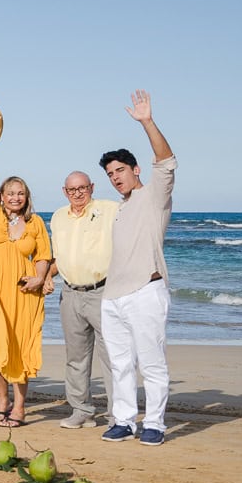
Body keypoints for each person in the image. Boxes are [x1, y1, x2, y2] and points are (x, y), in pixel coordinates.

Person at [99, 90, 177, 447]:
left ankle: (155, 424)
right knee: (120, 365)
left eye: (120, 170)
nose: (116, 177)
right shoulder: (121, 207)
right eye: (111, 173)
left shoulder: (153, 196)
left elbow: (166, 160)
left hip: (146, 290)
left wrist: (147, 121)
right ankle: (125, 420)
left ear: (135, 170)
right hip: (112, 296)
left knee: (151, 362)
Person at [0, 144, 51, 428]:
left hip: (23, 292)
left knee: (19, 347)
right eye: (10, 193)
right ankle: (2, 400)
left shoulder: (35, 223)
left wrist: (40, 278)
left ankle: (18, 407)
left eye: (20, 193)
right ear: (2, 196)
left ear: (26, 197)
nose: (15, 197)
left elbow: (43, 254)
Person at [46, 172, 118, 429]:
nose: (77, 193)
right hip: (70, 294)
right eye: (72, 189)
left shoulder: (111, 209)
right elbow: (57, 257)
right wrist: (44, 276)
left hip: (103, 292)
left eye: (82, 188)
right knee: (75, 357)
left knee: (112, 356)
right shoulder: (57, 217)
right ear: (65, 191)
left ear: (91, 188)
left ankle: (117, 415)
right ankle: (81, 410)